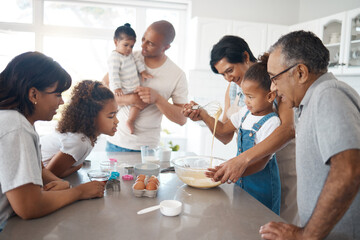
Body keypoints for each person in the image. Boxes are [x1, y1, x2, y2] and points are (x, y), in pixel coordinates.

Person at [183, 35, 298, 224]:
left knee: (279, 224)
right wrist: (202, 114)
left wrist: (241, 160)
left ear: (245, 57)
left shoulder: (274, 81)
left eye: (230, 70)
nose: (228, 78)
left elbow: (288, 129)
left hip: (279, 167)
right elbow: (225, 134)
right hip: (248, 170)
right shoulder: (234, 89)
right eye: (222, 74)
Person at [259, 31, 360, 240]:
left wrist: (307, 235)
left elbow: (350, 169)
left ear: (301, 73)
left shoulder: (328, 94)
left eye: (274, 78)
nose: (273, 87)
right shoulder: (310, 102)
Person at [0, 52, 105, 231]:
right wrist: (79, 192)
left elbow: (38, 167)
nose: (62, 101)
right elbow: (29, 206)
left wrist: (62, 184)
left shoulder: (20, 121)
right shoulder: (16, 127)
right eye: (57, 94)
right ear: (33, 94)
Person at [104, 20, 188, 152]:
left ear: (166, 47)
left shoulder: (177, 75)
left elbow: (182, 119)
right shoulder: (127, 56)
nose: (143, 45)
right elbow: (102, 91)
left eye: (151, 43)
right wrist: (131, 99)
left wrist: (158, 99)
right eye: (143, 39)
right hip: (116, 142)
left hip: (147, 148)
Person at [40, 80, 119, 178]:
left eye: (116, 114)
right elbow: (47, 177)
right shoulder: (78, 142)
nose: (117, 121)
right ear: (91, 117)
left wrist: (77, 166)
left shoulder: (86, 137)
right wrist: (78, 166)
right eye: (111, 116)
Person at [108, 23, 152, 134]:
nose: (129, 49)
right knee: (113, 109)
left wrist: (143, 71)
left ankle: (130, 121)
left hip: (134, 88)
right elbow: (113, 74)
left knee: (142, 103)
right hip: (124, 89)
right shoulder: (114, 57)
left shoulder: (130, 55)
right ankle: (112, 123)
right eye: (126, 45)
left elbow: (137, 62)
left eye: (131, 46)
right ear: (116, 42)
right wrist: (116, 88)